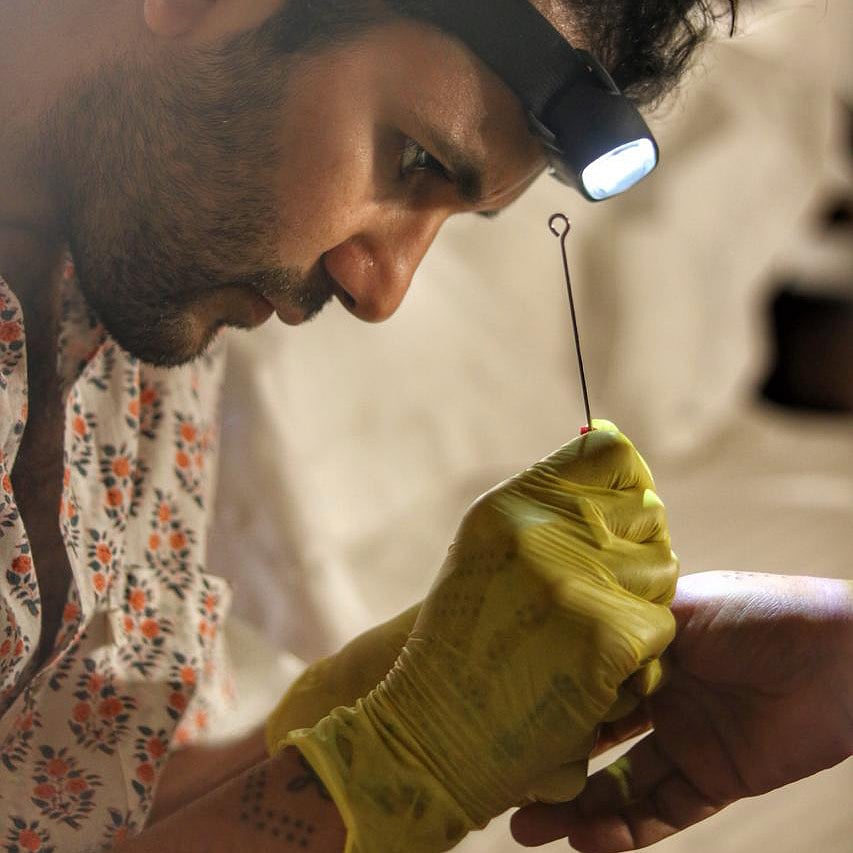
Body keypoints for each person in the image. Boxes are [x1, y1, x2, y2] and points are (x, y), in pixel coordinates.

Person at [0, 1, 848, 851]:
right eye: (415, 159)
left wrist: (355, 711)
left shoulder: (143, 284)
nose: (383, 293)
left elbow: (70, 802)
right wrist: (405, 762)